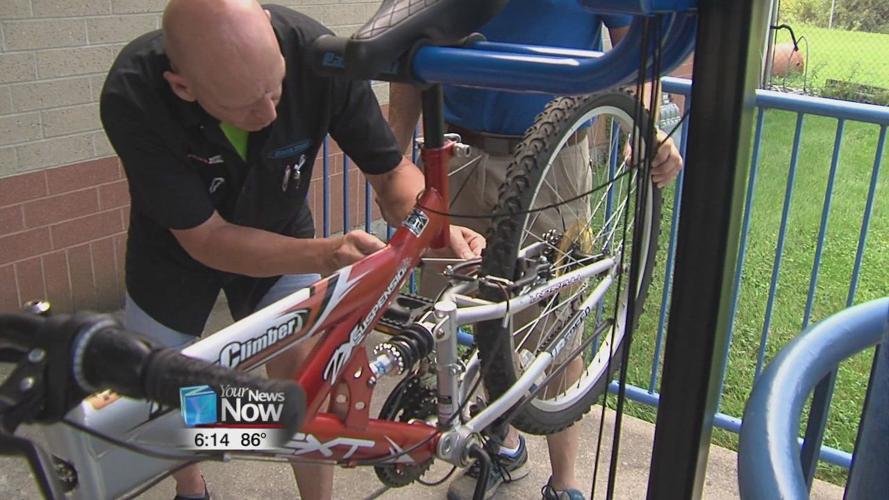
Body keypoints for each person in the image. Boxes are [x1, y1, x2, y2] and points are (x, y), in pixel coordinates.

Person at [100, 1, 484, 499]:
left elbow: (390, 173)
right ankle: (191, 487)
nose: (269, 113)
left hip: (280, 225)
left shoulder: (315, 55)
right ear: (184, 87)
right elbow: (208, 239)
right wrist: (327, 254)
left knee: (308, 376)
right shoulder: (133, 93)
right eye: (244, 105)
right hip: (175, 249)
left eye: (276, 87)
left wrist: (438, 229)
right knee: (155, 390)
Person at [388, 1, 683, 499]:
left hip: (555, 165)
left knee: (557, 327)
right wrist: (393, 155)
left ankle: (565, 484)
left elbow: (640, 53)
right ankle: (499, 444)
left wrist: (646, 123)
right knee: (453, 313)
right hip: (453, 158)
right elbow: (409, 51)